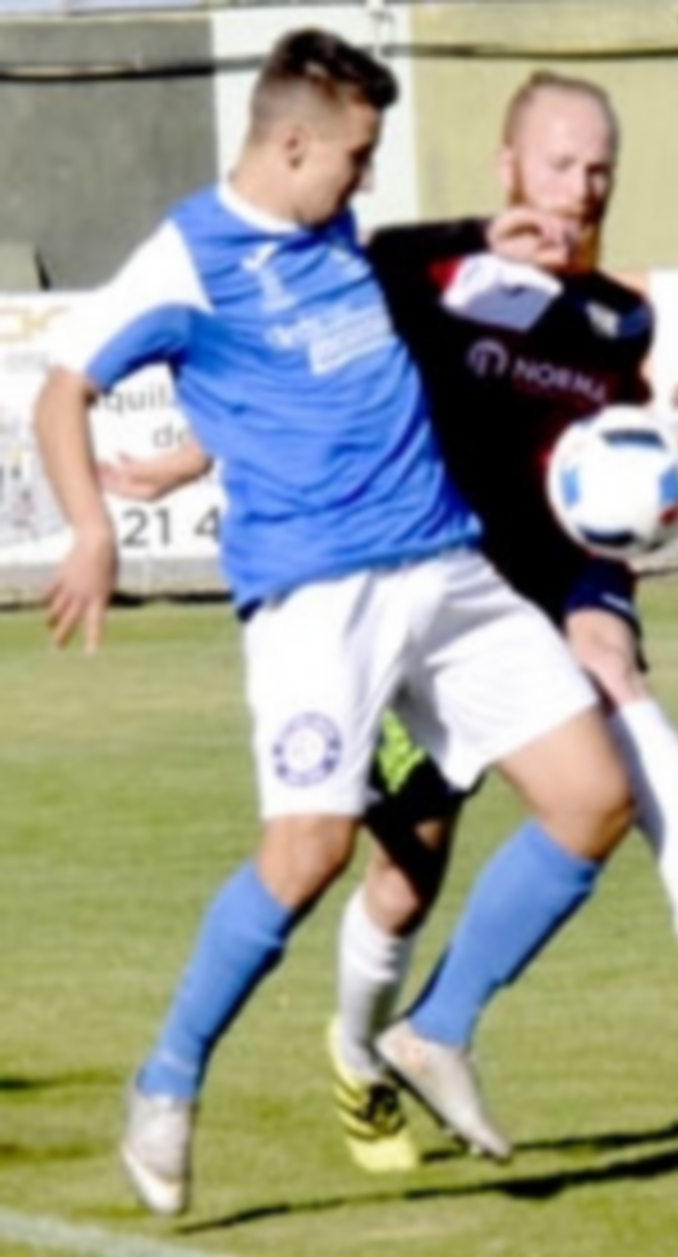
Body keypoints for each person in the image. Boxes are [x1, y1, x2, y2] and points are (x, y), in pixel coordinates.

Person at [97, 70, 678, 1176]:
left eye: (600, 170)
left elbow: (613, 446)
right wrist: (192, 452)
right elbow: (313, 366)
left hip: (541, 581)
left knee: (604, 722)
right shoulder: (446, 277)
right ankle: (357, 1060)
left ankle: (669, 926)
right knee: (402, 871)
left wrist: (631, 518)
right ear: (509, 166)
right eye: (560, 164)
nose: (582, 188)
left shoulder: (618, 317)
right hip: (411, 571)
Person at [34, 30, 634, 1215]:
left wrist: (484, 234)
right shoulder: (186, 257)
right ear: (294, 144)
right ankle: (167, 1079)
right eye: (356, 156)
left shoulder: (332, 228)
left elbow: (336, 340)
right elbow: (64, 391)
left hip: (445, 567)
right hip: (317, 597)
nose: (364, 178)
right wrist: (92, 529)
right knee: (306, 856)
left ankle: (433, 1029)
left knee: (591, 799)